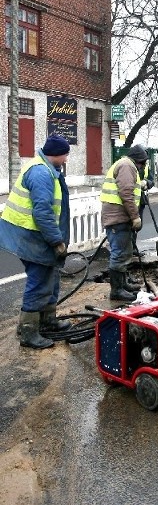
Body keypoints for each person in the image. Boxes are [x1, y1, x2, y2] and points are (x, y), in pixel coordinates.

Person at [0, 135, 72, 349]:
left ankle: (47, 321)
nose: (67, 159)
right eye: (65, 154)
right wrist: (56, 241)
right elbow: (42, 212)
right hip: (32, 237)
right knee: (40, 281)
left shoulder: (48, 168)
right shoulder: (41, 173)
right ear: (56, 154)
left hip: (36, 236)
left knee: (51, 277)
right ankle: (29, 332)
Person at [100, 145, 145, 301]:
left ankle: (123, 284)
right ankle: (117, 290)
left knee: (125, 252)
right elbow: (126, 193)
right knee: (119, 254)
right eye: (143, 163)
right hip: (117, 218)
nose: (142, 167)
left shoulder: (126, 165)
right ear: (138, 161)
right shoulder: (127, 166)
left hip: (119, 217)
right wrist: (135, 217)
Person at [128, 145, 153, 255]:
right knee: (129, 224)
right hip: (130, 199)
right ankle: (129, 248)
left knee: (137, 225)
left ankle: (133, 247)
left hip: (140, 199)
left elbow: (152, 181)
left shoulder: (146, 167)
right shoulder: (128, 166)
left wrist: (146, 183)